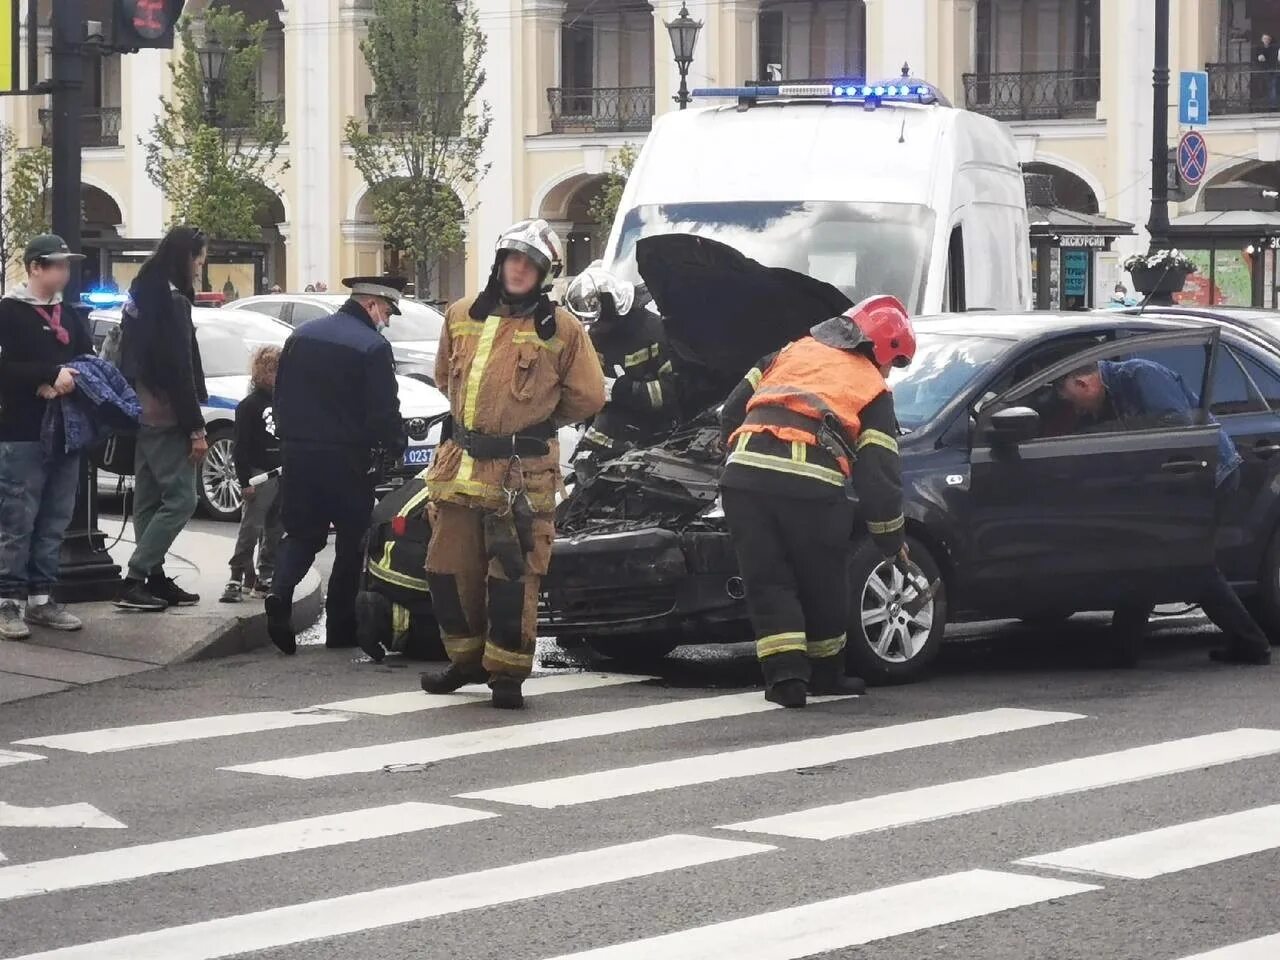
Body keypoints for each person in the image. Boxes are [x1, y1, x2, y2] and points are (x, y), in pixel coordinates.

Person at [420, 219, 605, 709]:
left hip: (519, 478)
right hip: (459, 471)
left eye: (532, 264)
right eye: (514, 259)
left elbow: (588, 396)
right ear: (500, 262)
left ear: (543, 274)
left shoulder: (561, 328)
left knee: (511, 578)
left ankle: (506, 676)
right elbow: (445, 376)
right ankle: (465, 663)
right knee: (447, 570)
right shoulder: (460, 314)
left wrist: (533, 423)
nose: (521, 269)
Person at [718, 295, 916, 708]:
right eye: (892, 363)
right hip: (810, 487)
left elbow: (730, 411)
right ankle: (826, 675)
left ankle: (785, 679)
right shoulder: (872, 388)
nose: (888, 372)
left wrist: (742, 455)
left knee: (768, 581)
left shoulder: (788, 352)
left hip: (743, 481)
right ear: (882, 349)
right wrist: (890, 541)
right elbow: (879, 477)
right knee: (822, 580)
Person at [1058, 359, 1272, 666]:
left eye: (1076, 402)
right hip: (1176, 479)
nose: (1080, 411)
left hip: (1207, 476)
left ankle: (1251, 643)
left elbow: (1174, 426)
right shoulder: (1113, 392)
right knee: (1151, 557)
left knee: (1185, 562)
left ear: (1084, 384)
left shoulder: (1142, 376)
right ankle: (1124, 648)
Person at [265, 276, 406, 654]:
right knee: (352, 540)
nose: (388, 321)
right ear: (373, 304)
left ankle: (279, 594)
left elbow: (279, 395)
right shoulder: (373, 347)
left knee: (302, 534)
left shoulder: (302, 336)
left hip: (297, 453)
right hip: (347, 460)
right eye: (388, 311)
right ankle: (340, 628)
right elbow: (383, 411)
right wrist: (397, 444)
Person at [0, 235, 91, 638]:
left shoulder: (69, 314)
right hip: (22, 431)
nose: (65, 272)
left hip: (65, 431)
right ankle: (8, 602)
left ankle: (41, 599)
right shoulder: (9, 312)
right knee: (18, 518)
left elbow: (87, 361)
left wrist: (73, 379)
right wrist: (45, 376)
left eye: (67, 265)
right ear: (35, 267)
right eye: (58, 264)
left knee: (55, 517)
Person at [115, 226, 209, 612]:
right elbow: (179, 369)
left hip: (141, 406)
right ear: (187, 257)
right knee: (183, 500)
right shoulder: (174, 301)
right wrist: (196, 428)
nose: (202, 266)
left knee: (150, 499)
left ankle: (152, 578)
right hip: (168, 414)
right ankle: (136, 576)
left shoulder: (143, 290)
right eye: (200, 259)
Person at [564, 265, 680, 472]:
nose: (591, 329)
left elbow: (677, 392)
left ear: (610, 308)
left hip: (654, 435)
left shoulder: (654, 333)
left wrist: (624, 390)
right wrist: (582, 423)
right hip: (606, 432)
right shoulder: (595, 336)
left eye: (595, 322)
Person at [221, 346, 283, 604]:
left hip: (282, 472)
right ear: (259, 372)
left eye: (279, 370)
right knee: (251, 527)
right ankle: (237, 575)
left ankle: (265, 575)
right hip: (259, 473)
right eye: (271, 370)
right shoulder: (249, 406)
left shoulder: (286, 403)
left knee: (276, 528)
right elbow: (241, 446)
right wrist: (244, 480)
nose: (276, 375)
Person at [1257, 33, 1280, 109]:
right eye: (1264, 39)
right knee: (1269, 87)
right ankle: (1271, 104)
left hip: (1275, 69)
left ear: (1270, 40)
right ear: (1262, 40)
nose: (1266, 40)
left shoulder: (1275, 47)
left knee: (1273, 86)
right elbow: (1259, 58)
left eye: (1267, 39)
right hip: (1266, 70)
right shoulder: (1260, 48)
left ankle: (1273, 106)